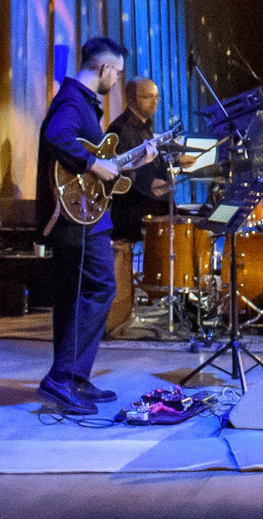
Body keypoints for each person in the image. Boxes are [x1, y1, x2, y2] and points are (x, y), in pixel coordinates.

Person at [37, 36, 143, 415]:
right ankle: (62, 377)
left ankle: (73, 377)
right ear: (105, 69)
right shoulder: (71, 101)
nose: (116, 81)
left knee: (72, 297)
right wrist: (93, 164)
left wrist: (129, 162)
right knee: (102, 288)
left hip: (80, 215)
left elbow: (95, 162)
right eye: (116, 74)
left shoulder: (79, 102)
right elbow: (57, 137)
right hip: (78, 220)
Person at [103, 76, 190, 257]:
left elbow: (149, 161)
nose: (155, 102)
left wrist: (175, 160)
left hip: (153, 206)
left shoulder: (146, 126)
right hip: (133, 212)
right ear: (132, 99)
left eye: (157, 97)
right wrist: (148, 182)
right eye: (149, 97)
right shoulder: (120, 130)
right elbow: (120, 172)